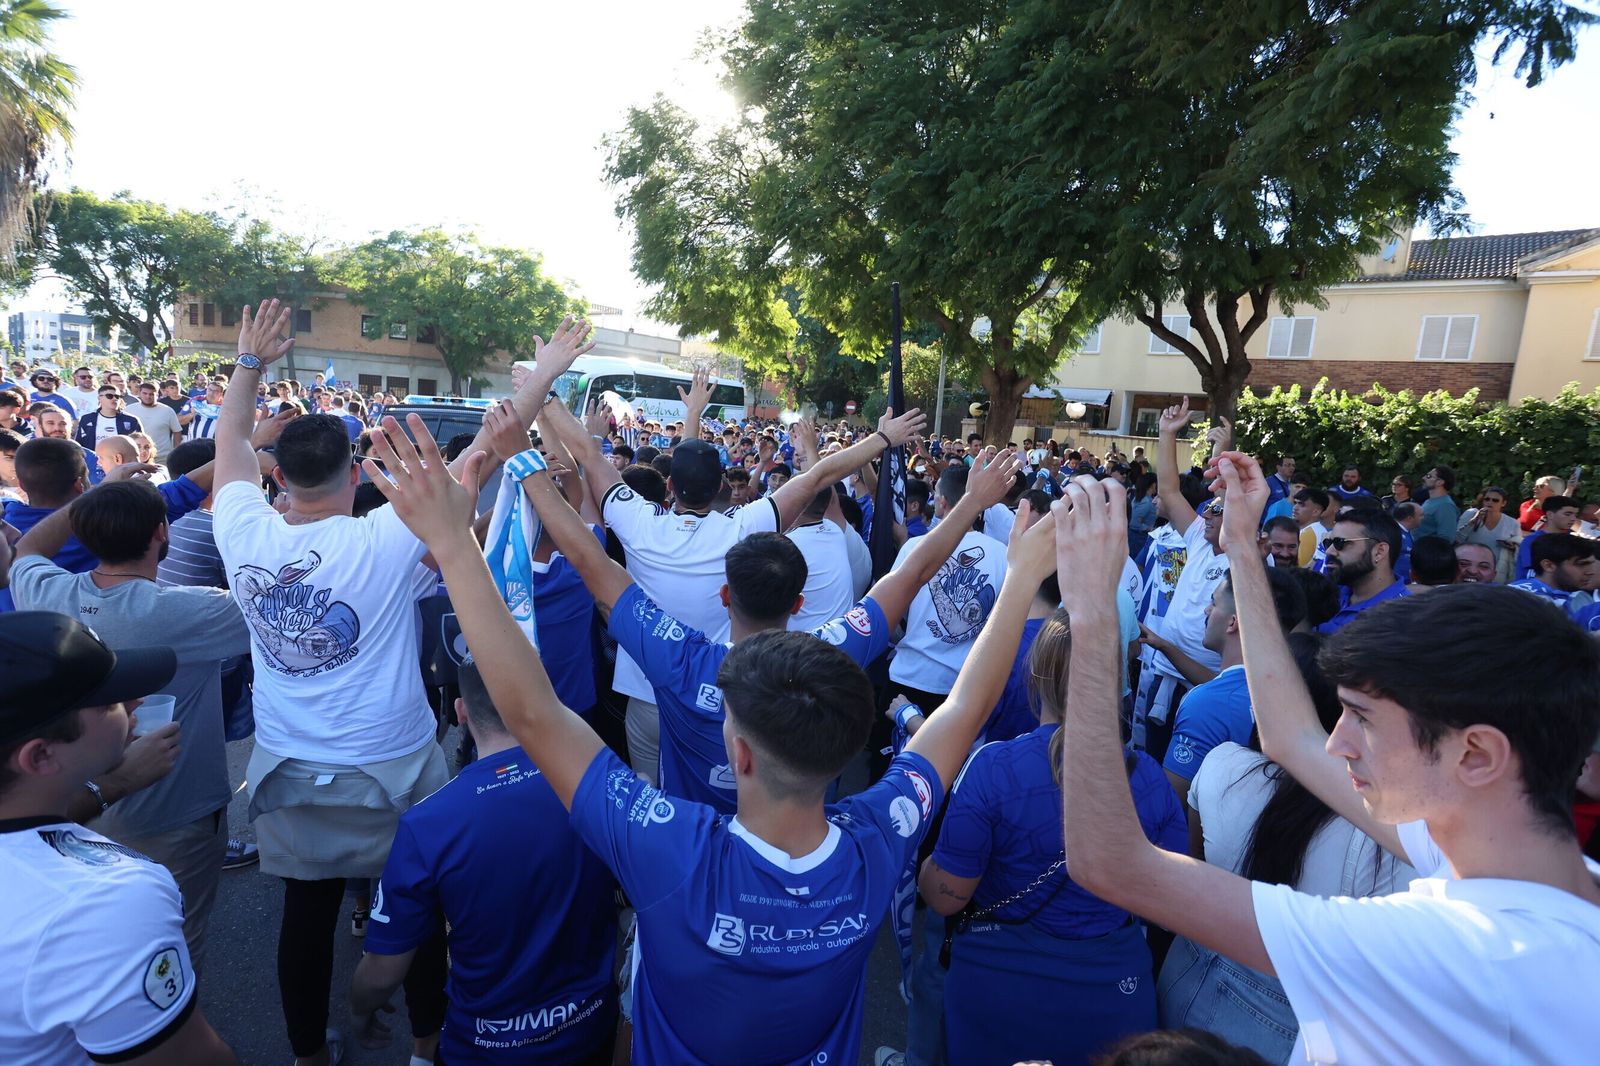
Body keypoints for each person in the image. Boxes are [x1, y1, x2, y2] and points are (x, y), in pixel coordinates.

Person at [356, 403, 1063, 1066]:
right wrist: (1012, 559)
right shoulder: (879, 833)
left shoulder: (669, 843)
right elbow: (957, 696)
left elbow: (563, 647)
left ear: (741, 749)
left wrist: (474, 520)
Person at [1055, 451, 1600, 1066]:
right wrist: (1241, 544)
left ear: (1475, 754)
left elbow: (1112, 864)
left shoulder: (1455, 955)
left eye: (1364, 720)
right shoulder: (1518, 868)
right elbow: (1288, 736)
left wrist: (1095, 615)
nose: (1338, 743)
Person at [210, 302, 584, 1066]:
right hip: (393, 766)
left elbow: (228, 442)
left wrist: (248, 363)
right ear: (355, 471)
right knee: (418, 917)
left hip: (288, 764)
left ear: (279, 476)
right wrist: (542, 375)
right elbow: (480, 454)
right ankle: (423, 1045)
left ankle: (309, 1055)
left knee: (304, 923)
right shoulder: (384, 535)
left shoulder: (239, 526)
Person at [545, 368, 925, 786]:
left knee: (650, 792)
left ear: (669, 485)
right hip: (713, 697)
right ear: (723, 485)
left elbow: (589, 453)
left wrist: (543, 393)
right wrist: (881, 439)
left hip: (644, 695)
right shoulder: (742, 528)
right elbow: (816, 477)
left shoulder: (637, 523)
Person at [921, 599, 1187, 1066]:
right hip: (1112, 994)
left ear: (1036, 676)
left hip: (997, 983)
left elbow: (946, 897)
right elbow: (1170, 910)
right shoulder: (1148, 779)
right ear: (1116, 682)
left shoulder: (993, 768)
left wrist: (924, 868)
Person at [9, 481, 252, 974]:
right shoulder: (198, 610)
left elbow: (29, 547)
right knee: (172, 952)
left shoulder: (43, 589)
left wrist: (87, 504)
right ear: (163, 532)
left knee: (84, 954)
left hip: (70, 807)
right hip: (176, 814)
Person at [1159, 634, 1415, 1062]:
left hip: (1183, 976)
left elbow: (1193, 864)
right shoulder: (1383, 831)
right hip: (1287, 1025)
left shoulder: (1221, 762)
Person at [0, 612, 239, 1063]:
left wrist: (116, 784)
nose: (135, 701)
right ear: (41, 755)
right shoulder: (102, 903)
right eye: (107, 701)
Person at [352, 662, 617, 1066]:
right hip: (591, 1033)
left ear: (460, 712)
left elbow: (382, 972)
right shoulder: (602, 788)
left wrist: (360, 1006)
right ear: (545, 700)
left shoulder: (426, 825)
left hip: (484, 1049)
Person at [0, 436, 211, 612]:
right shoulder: (101, 522)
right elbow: (179, 493)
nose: (13, 534)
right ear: (80, 484)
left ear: (20, 483)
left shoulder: (6, 528)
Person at [1134, 400, 1230, 759]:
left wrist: (1224, 452)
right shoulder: (1199, 542)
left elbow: (1224, 493)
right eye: (1207, 507)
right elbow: (1171, 491)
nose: (1206, 512)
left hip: (1205, 687)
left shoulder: (1245, 560)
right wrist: (1167, 433)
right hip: (1162, 673)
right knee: (1151, 758)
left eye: (1217, 510)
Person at [1163, 570, 1305, 797]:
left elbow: (1169, 803)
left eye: (1214, 602)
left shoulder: (1206, 704)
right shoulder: (1306, 688)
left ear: (1232, 622)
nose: (1206, 610)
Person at [885, 463, 1009, 717]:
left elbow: (891, 615)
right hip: (963, 687)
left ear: (941, 503)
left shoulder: (914, 548)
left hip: (911, 677)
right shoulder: (1003, 555)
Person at [1316, 508, 1408, 633]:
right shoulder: (1328, 594)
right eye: (1328, 542)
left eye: (1340, 543)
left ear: (1379, 552)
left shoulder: (1399, 619)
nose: (1329, 551)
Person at [1508, 532, 1596, 613]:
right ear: (1548, 566)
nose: (1590, 572)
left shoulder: (1572, 597)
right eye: (1581, 564)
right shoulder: (1524, 600)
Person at [1455, 485, 1520, 582]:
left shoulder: (1512, 522)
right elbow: (1457, 540)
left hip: (1496, 570)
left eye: (1495, 500)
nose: (1490, 502)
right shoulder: (1471, 514)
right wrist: (1473, 522)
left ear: (1503, 503)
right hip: (1468, 567)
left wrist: (1512, 546)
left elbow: (1518, 546)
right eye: (1487, 499)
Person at [1515, 494, 1581, 579]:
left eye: (1575, 515)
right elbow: (1528, 573)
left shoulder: (1574, 541)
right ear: (1550, 514)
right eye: (1568, 514)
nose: (1573, 519)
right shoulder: (1532, 541)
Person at [73, 384, 142, 448]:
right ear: (99, 398)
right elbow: (79, 444)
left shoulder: (131, 420)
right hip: (94, 460)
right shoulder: (87, 419)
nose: (114, 399)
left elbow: (141, 443)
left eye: (117, 396)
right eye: (110, 396)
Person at [133, 381, 185, 461]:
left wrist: (176, 452)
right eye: (145, 393)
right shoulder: (129, 410)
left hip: (162, 457)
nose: (148, 396)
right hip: (137, 457)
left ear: (157, 394)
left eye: (151, 394)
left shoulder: (168, 411)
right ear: (139, 393)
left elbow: (177, 432)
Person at [1412, 465, 1460, 542]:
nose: (1423, 478)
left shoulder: (1445, 505)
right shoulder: (1429, 501)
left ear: (1440, 482)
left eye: (1428, 476)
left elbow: (1446, 539)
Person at [1291, 487, 1333, 569]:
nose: (1295, 508)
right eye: (1295, 503)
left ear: (1316, 511)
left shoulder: (1308, 533)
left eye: (1302, 505)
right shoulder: (1319, 530)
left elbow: (1300, 569)